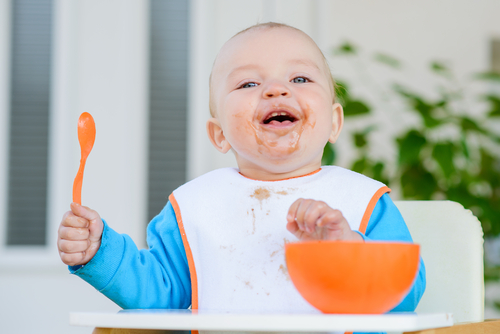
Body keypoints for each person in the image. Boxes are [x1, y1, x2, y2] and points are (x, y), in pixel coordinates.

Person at [58, 22, 425, 321]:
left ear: (334, 121)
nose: (276, 90)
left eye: (300, 79)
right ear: (219, 134)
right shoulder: (194, 207)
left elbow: (405, 296)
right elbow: (160, 292)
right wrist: (100, 252)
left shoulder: (363, 201)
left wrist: (348, 248)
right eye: (249, 83)